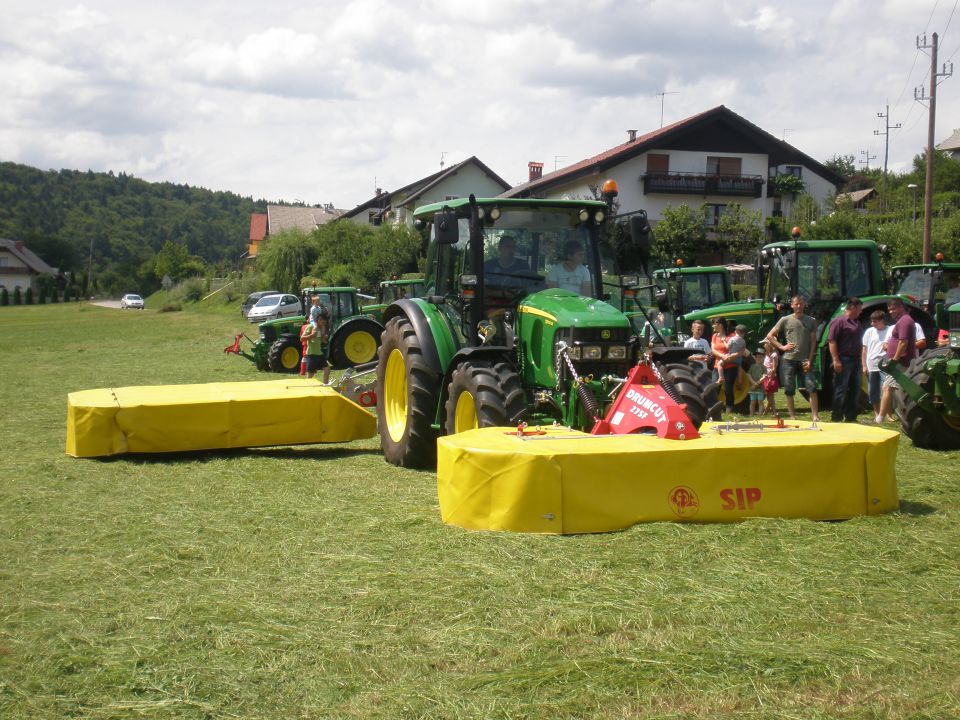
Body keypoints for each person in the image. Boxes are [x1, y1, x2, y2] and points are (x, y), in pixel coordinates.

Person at [765, 294, 820, 422]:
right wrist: (782, 347)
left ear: (804, 305)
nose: (799, 306)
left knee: (811, 387)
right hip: (789, 360)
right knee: (789, 389)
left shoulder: (811, 321)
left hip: (805, 360)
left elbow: (813, 342)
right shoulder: (785, 319)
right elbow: (770, 336)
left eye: (801, 304)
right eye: (796, 304)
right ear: (792, 305)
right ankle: (792, 416)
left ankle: (815, 416)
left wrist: (810, 359)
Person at [877, 297, 917, 423]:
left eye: (893, 309)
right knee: (898, 389)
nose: (891, 312)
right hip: (900, 361)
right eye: (889, 309)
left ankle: (880, 418)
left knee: (887, 388)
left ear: (901, 307)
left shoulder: (905, 321)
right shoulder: (903, 320)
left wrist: (894, 360)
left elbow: (903, 343)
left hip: (900, 362)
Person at [827, 296, 864, 422]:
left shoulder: (857, 323)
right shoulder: (839, 321)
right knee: (841, 389)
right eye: (859, 308)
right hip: (844, 360)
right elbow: (832, 341)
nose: (861, 311)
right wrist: (836, 360)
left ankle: (851, 417)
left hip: (856, 360)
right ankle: (836, 417)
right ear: (852, 307)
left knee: (855, 389)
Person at [861, 309, 889, 420]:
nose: (872, 324)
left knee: (886, 389)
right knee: (873, 391)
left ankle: (887, 414)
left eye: (875, 321)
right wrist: (864, 365)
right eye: (872, 321)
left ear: (882, 320)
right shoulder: (869, 331)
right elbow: (864, 350)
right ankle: (877, 413)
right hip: (871, 366)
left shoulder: (890, 330)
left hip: (885, 365)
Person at [300, 316, 331, 384]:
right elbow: (302, 338)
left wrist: (324, 338)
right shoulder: (311, 327)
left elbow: (322, 341)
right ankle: (308, 388)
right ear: (317, 320)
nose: (323, 322)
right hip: (312, 354)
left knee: (327, 369)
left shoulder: (321, 328)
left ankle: (325, 385)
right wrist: (312, 335)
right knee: (310, 375)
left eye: (324, 320)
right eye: (322, 320)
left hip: (319, 353)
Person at [762, 340, 779, 414]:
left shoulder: (774, 355)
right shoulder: (767, 354)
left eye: (766, 344)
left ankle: (768, 411)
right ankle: (772, 411)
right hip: (766, 376)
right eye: (765, 345)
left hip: (771, 377)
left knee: (771, 395)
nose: (765, 346)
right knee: (768, 395)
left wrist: (770, 380)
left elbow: (774, 368)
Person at [747, 348, 766, 416]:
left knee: (760, 402)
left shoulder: (764, 367)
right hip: (752, 388)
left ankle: (760, 415)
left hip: (760, 388)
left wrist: (756, 383)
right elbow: (748, 375)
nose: (759, 358)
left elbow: (764, 377)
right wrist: (753, 383)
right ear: (755, 357)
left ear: (763, 358)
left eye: (761, 357)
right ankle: (751, 415)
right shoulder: (752, 366)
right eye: (757, 357)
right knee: (752, 401)